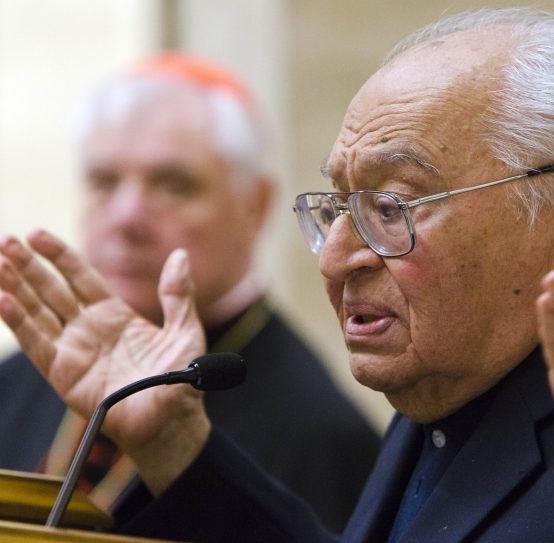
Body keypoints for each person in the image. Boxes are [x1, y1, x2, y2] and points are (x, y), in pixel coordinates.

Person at [1, 7, 554, 542]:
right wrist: (174, 443)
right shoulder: (456, 366)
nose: (337, 255)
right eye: (337, 205)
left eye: (393, 204)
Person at [0, 53, 379, 532]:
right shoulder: (12, 385)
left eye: (173, 184)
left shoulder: (318, 436)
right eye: (104, 181)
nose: (126, 217)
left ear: (254, 207)